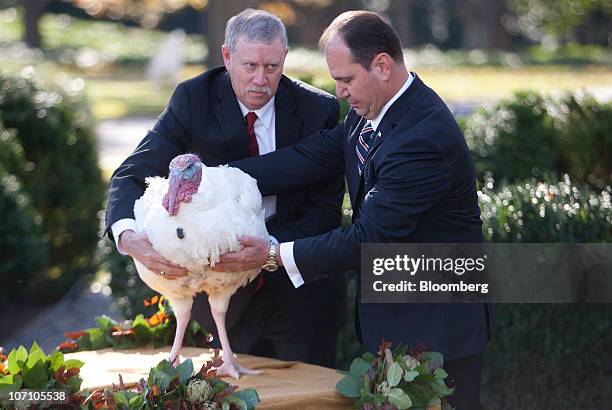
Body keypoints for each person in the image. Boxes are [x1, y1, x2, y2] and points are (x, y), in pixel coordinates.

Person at [216, 11, 489, 409]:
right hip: (393, 322)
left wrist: (272, 254)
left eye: (346, 80)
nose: (340, 93)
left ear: (381, 65)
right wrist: (213, 179)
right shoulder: (369, 116)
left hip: (438, 329)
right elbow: (306, 159)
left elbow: (368, 238)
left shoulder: (422, 139)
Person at [105, 8, 347, 368]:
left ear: (284, 60)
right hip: (223, 306)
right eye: (250, 66)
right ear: (227, 57)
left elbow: (324, 210)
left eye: (272, 68)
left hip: (301, 299)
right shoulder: (193, 100)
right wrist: (127, 236)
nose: (260, 80)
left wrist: (269, 251)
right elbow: (132, 172)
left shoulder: (318, 110)